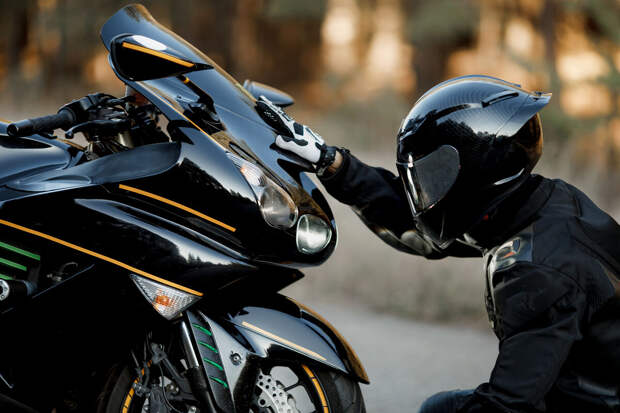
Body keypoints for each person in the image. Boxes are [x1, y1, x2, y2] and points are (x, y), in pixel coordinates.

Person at [255, 75, 620, 413]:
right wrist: (332, 163)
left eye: (436, 174)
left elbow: (506, 405)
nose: (427, 189)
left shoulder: (541, 272)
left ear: (477, 170)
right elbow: (420, 227)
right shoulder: (536, 208)